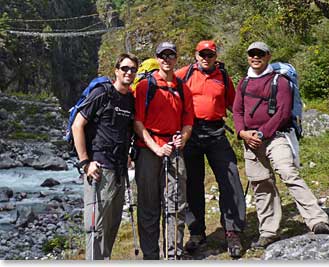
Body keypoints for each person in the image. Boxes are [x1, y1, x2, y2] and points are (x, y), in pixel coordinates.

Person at [233, 41, 329, 249]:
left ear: (268, 56)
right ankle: (269, 231)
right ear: (248, 57)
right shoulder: (243, 83)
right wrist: (243, 133)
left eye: (260, 53)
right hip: (250, 141)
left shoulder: (281, 81)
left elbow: (283, 112)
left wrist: (261, 133)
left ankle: (317, 220)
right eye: (252, 54)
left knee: (288, 174)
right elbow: (238, 111)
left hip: (277, 137)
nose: (256, 57)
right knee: (261, 184)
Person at [176, 40, 246, 258]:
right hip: (190, 133)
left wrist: (249, 127)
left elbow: (235, 106)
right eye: (202, 54)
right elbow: (165, 92)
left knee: (230, 179)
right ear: (196, 55)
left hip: (216, 132)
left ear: (216, 56)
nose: (206, 58)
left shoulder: (223, 77)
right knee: (193, 184)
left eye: (210, 54)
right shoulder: (183, 74)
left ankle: (232, 231)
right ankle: (196, 232)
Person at [72, 53, 138, 259]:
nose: (129, 72)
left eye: (133, 69)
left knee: (111, 227)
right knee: (95, 228)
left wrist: (128, 154)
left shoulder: (129, 99)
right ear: (116, 71)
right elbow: (77, 125)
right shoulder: (102, 94)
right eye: (125, 68)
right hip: (99, 169)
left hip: (119, 171)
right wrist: (85, 163)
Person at [134, 41, 194, 260]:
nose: (166, 59)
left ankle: (173, 256)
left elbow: (188, 121)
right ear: (157, 58)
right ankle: (151, 257)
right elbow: (138, 123)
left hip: (174, 150)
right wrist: (156, 147)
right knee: (149, 206)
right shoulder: (145, 86)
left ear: (176, 58)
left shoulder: (182, 88)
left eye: (171, 55)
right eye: (162, 55)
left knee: (175, 205)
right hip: (149, 149)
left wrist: (183, 139)